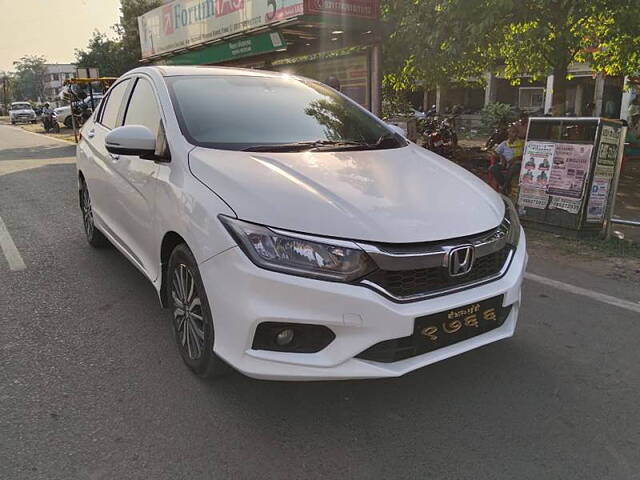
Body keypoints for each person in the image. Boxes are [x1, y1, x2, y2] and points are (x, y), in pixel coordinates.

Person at [489, 125, 524, 194]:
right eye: (513, 132)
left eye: (516, 132)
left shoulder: (522, 143)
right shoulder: (504, 143)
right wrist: (502, 157)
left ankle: (504, 188)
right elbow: (494, 152)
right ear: (509, 134)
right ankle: (506, 185)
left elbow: (526, 154)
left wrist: (516, 158)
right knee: (493, 168)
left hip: (517, 163)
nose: (515, 134)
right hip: (505, 163)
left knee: (513, 168)